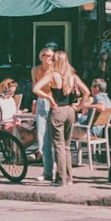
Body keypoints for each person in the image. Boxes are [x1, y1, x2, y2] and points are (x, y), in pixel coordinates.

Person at [33, 51, 89, 187]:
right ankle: (69, 177)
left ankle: (60, 178)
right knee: (66, 146)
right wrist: (80, 106)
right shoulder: (72, 76)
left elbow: (36, 88)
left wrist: (49, 98)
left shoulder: (52, 75)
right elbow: (86, 92)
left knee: (58, 145)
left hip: (58, 110)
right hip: (70, 110)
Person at [31, 47, 56, 182]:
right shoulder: (36, 70)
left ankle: (56, 171)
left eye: (52, 56)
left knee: (55, 139)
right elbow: (34, 87)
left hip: (54, 102)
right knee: (43, 137)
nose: (50, 59)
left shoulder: (56, 70)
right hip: (42, 102)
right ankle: (47, 171)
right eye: (47, 55)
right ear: (41, 57)